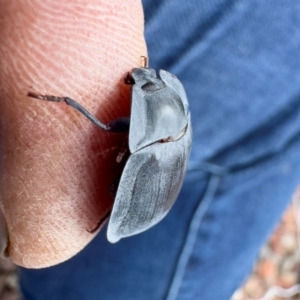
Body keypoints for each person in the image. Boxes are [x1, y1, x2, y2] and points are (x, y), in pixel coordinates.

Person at [0, 0, 299, 299]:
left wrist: (65, 101)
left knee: (105, 131)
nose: (142, 77)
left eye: (146, 84)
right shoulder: (170, 127)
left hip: (142, 205)